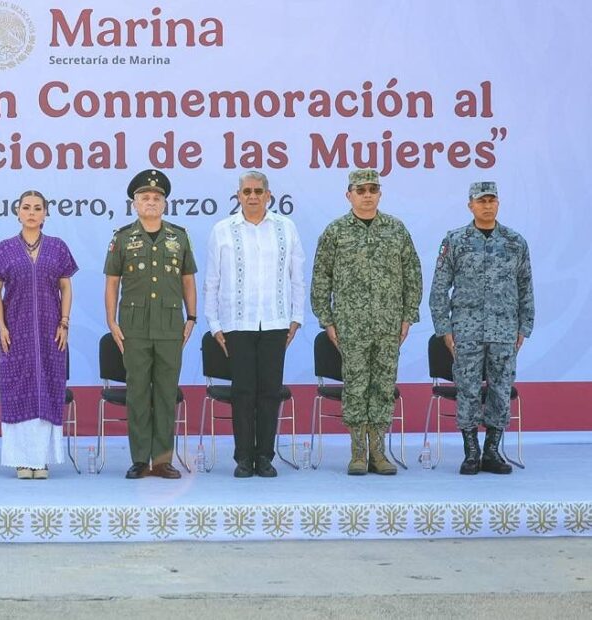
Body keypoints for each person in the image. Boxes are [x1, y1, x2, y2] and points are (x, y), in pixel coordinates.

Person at [311, 168, 422, 476]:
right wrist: (327, 320)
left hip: (388, 325)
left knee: (383, 387)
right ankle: (359, 453)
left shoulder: (396, 229)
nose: (367, 195)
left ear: (380, 194)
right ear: (349, 195)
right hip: (351, 326)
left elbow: (412, 274)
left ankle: (379, 452)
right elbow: (321, 278)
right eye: (361, 190)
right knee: (356, 388)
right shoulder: (336, 232)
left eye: (373, 189)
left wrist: (408, 316)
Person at [203, 171, 305, 479]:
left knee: (269, 393)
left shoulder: (286, 228)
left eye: (258, 191)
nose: (252, 196)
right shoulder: (222, 230)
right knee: (243, 392)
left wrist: (296, 318)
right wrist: (214, 324)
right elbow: (212, 280)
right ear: (238, 196)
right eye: (246, 191)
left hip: (275, 321)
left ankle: (265, 457)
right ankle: (244, 458)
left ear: (268, 195)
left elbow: (297, 277)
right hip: (237, 323)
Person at [429, 181, 534, 475]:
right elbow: (439, 289)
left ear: (498, 203)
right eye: (481, 201)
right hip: (466, 331)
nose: (487, 206)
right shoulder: (455, 241)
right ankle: (471, 452)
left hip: (504, 330)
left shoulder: (515, 242)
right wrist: (444, 329)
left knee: (500, 389)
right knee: (468, 389)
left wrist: (524, 326)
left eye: (491, 200)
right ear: (470, 205)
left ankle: (492, 451)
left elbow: (525, 286)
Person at [104, 169, 197, 479]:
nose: (151, 202)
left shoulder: (179, 237)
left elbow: (188, 279)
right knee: (139, 393)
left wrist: (192, 316)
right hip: (134, 327)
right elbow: (112, 282)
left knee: (166, 393)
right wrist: (111, 320)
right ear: (135, 203)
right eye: (145, 197)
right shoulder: (122, 238)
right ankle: (141, 460)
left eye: (157, 198)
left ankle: (162, 461)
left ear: (165, 203)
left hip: (170, 325)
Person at [0, 190, 78, 479]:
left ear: (45, 214)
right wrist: (1, 325)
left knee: (47, 387)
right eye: (26, 207)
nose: (31, 212)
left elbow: (66, 286)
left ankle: (42, 460)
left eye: (38, 208)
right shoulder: (4, 249)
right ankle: (21, 460)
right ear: (18, 212)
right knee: (17, 388)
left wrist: (64, 322)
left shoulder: (58, 247)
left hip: (52, 331)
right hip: (15, 331)